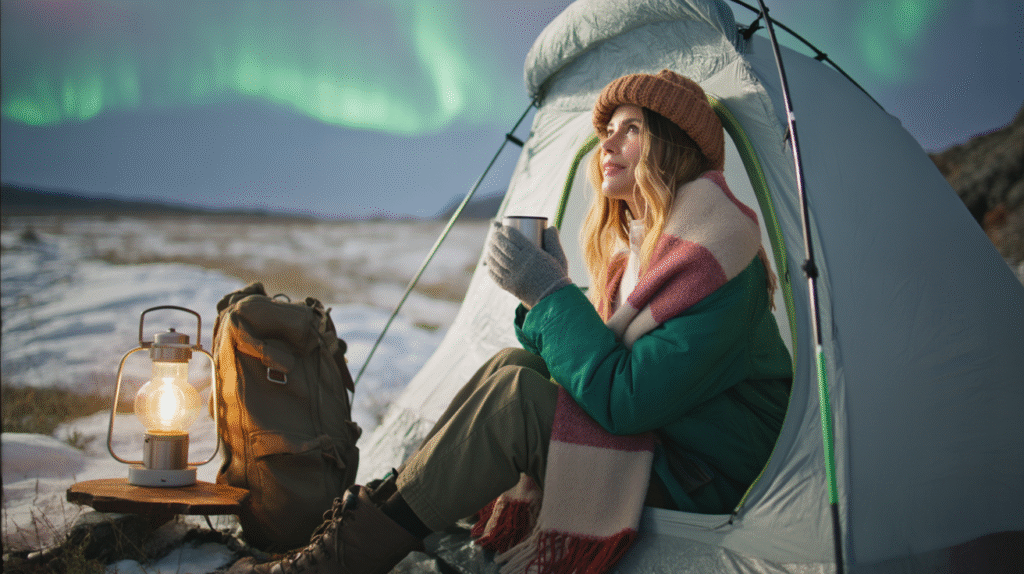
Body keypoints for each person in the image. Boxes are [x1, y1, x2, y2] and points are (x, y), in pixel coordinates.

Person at [229, 69, 792, 574]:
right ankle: (368, 523)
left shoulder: (721, 263)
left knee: (517, 399)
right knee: (512, 365)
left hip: (697, 478)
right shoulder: (642, 257)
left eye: (630, 130)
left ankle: (337, 562)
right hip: (660, 448)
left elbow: (624, 398)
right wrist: (549, 294)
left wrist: (550, 294)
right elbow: (592, 373)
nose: (607, 145)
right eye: (605, 132)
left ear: (673, 146)